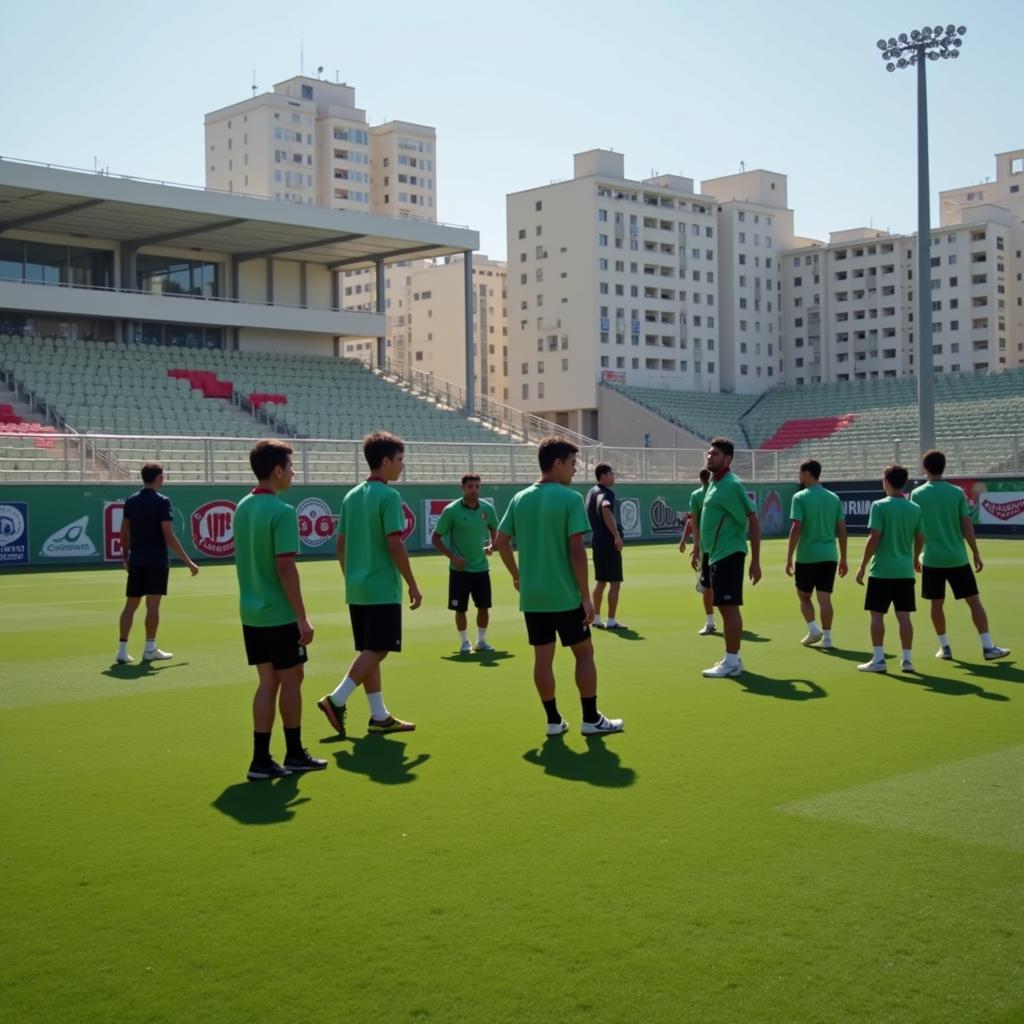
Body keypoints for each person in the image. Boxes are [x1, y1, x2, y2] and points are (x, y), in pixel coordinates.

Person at [494, 436, 623, 736]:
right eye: (573, 464)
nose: (575, 470)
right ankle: (590, 719)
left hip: (533, 596)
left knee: (542, 658)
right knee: (584, 653)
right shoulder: (570, 499)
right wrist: (586, 598)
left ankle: (553, 721)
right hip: (565, 596)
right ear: (557, 464)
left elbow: (500, 543)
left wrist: (517, 575)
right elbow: (577, 551)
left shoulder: (519, 498)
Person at [319, 431, 421, 738]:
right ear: (386, 461)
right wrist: (413, 584)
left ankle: (379, 716)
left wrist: (349, 576)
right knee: (379, 649)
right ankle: (336, 700)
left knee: (370, 650)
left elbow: (340, 544)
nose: (402, 466)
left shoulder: (352, 495)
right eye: (400, 460)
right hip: (380, 587)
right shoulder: (389, 496)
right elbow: (395, 544)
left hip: (358, 586)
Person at [233, 440, 325, 781]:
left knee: (266, 682)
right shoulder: (283, 512)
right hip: (278, 614)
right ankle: (295, 752)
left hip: (251, 612)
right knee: (292, 679)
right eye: (290, 466)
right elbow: (285, 567)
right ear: (277, 471)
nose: (293, 472)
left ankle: (260, 759)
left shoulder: (243, 506)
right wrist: (302, 617)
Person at [910, 449, 1010, 661]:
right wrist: (975, 553)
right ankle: (987, 646)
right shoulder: (956, 493)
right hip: (956, 556)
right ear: (944, 467)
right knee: (974, 602)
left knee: (936, 604)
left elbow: (917, 530)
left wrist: (915, 557)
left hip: (932, 559)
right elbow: (967, 527)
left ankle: (944, 647)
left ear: (924, 468)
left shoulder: (917, 494)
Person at [115, 462, 198, 664]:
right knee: (153, 605)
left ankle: (122, 650)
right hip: (156, 561)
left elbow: (123, 532)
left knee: (130, 605)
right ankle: (150, 648)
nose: (164, 480)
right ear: (158, 478)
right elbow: (168, 536)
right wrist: (189, 562)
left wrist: (126, 558)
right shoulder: (162, 501)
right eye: (163, 476)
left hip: (137, 559)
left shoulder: (131, 500)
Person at [699, 438, 762, 678]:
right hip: (716, 555)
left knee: (728, 608)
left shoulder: (732, 485)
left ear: (728, 459)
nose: (709, 456)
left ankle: (732, 661)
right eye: (708, 452)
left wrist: (756, 561)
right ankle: (731, 658)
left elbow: (753, 518)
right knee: (725, 609)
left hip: (730, 553)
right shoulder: (715, 483)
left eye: (715, 454)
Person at [855, 464, 923, 674]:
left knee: (877, 616)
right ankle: (907, 660)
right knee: (904, 617)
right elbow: (920, 537)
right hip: (904, 571)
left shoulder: (879, 506)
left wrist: (862, 565)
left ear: (886, 481)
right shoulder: (914, 508)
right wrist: (914, 559)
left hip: (882, 571)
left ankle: (878, 658)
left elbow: (874, 537)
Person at [431, 473, 499, 653]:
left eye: (477, 486)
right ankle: (464, 642)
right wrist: (454, 558)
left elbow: (495, 528)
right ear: (462, 488)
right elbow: (436, 538)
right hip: (459, 570)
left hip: (482, 568)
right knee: (460, 608)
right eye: (470, 487)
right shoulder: (451, 510)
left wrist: (493, 545)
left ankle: (481, 641)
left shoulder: (487, 509)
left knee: (484, 607)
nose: (474, 490)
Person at [785, 459, 848, 649]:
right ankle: (827, 638)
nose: (799, 476)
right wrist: (843, 557)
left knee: (804, 596)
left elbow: (796, 527)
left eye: (800, 472)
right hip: (830, 555)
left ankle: (813, 629)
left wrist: (789, 556)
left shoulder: (800, 497)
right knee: (825, 598)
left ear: (807, 473)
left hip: (807, 555)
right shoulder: (833, 498)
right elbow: (842, 530)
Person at [586, 463, 627, 630]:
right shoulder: (606, 493)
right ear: (603, 475)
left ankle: (596, 618)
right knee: (615, 582)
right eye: (611, 473)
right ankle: (611, 620)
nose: (614, 476)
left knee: (601, 581)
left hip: (596, 542)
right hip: (608, 543)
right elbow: (605, 509)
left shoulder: (591, 492)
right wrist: (616, 535)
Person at [685, 468, 717, 636]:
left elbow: (694, 524)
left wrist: (696, 548)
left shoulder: (696, 495)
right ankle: (728, 620)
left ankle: (710, 622)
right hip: (725, 548)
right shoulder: (720, 491)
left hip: (707, 548)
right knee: (721, 585)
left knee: (707, 586)